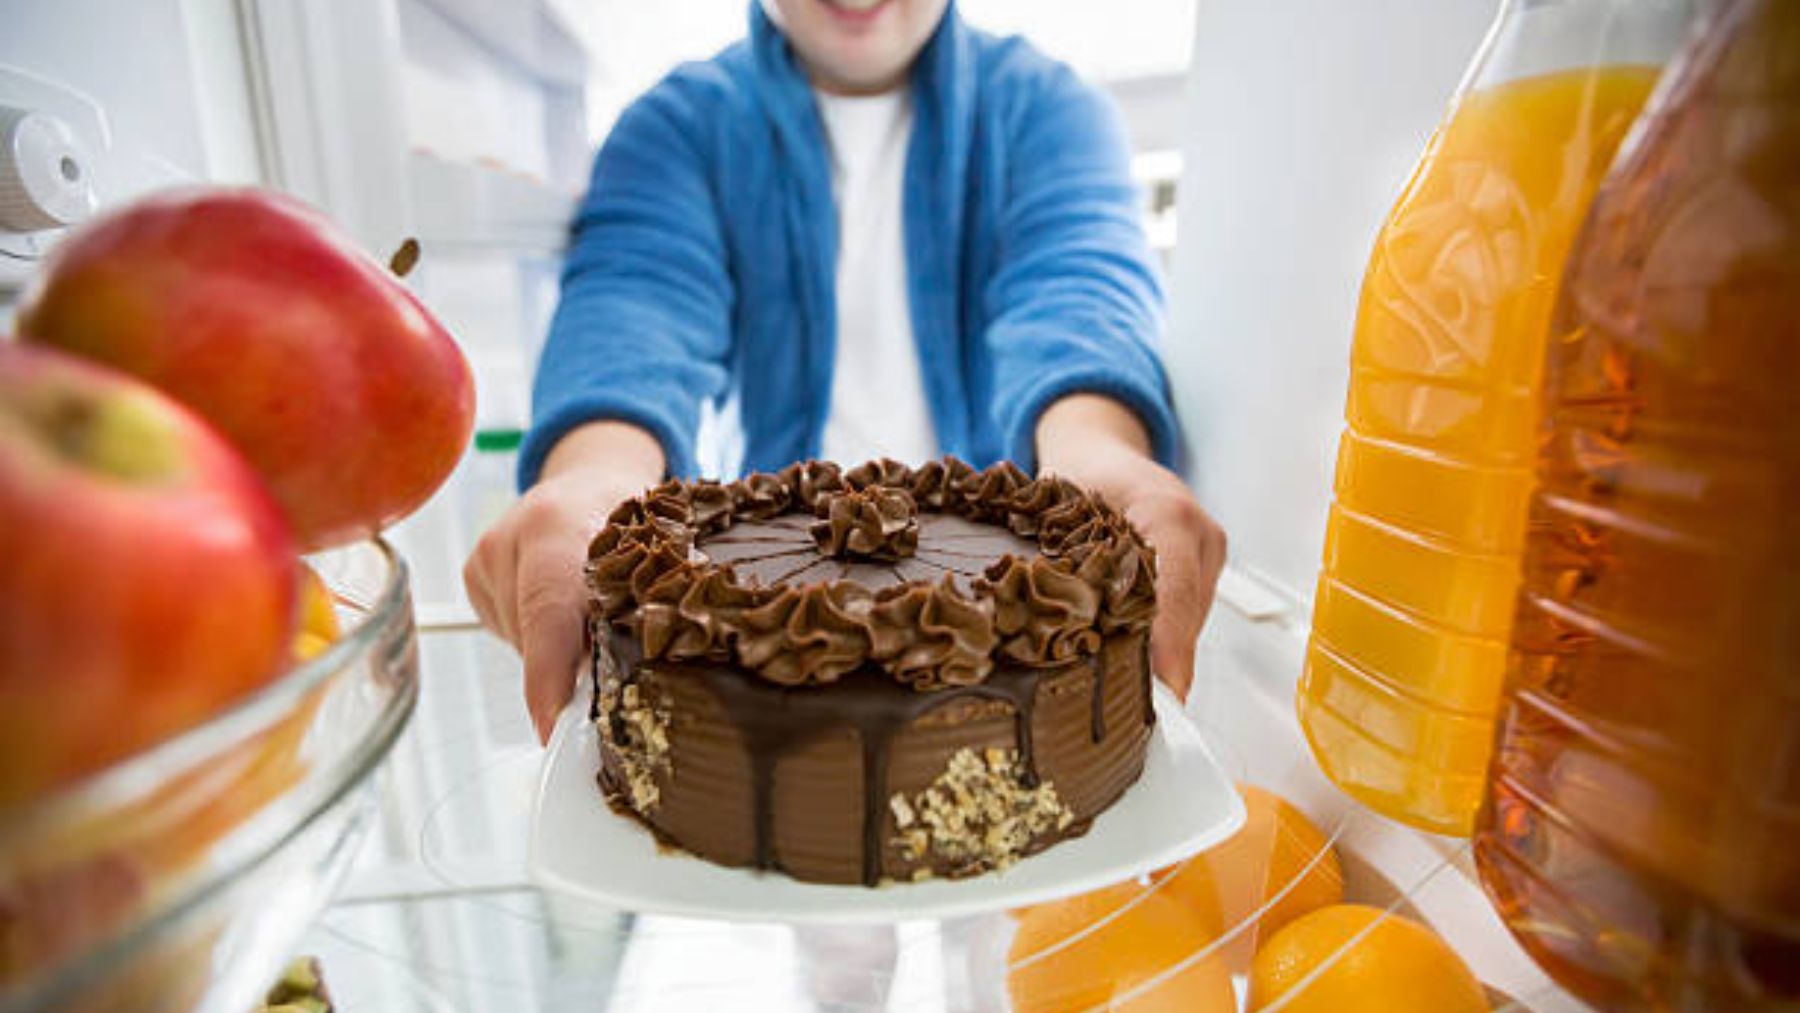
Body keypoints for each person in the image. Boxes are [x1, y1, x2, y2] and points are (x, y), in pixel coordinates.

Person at [465, 0, 1227, 744]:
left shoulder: (1050, 112)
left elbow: (1076, 300)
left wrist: (1097, 460)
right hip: (763, 660)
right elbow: (634, 310)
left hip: (1002, 662)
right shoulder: (677, 127)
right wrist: (592, 480)